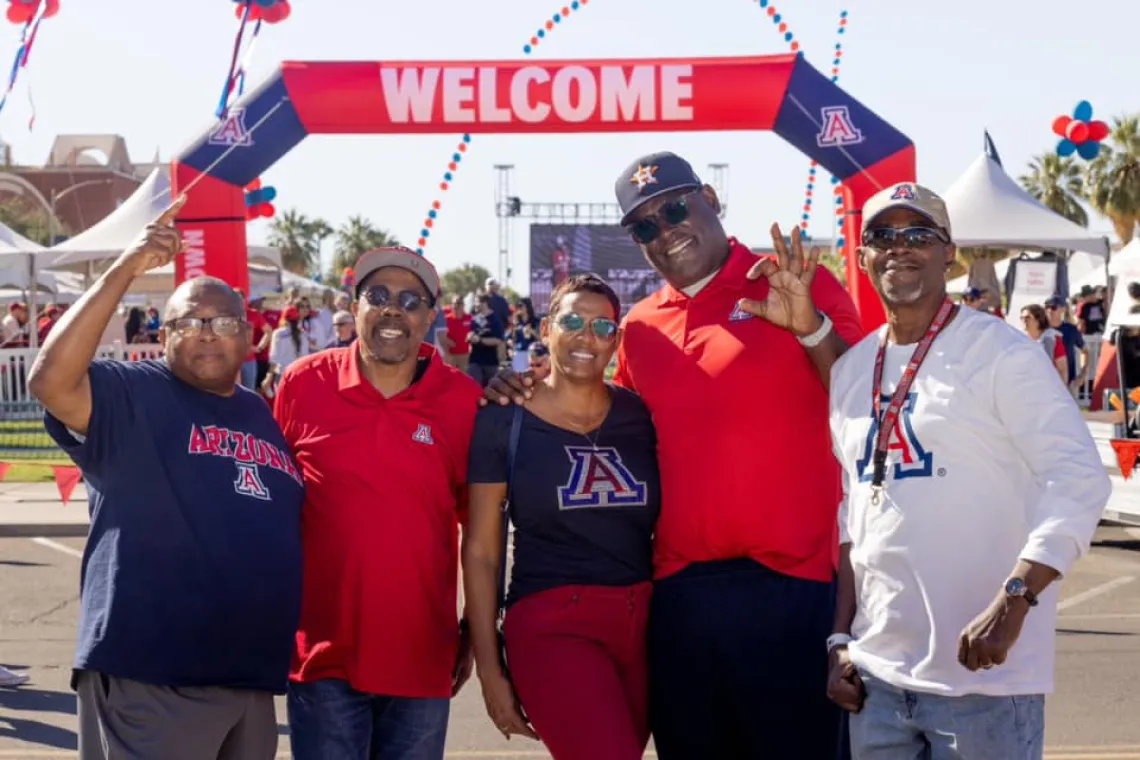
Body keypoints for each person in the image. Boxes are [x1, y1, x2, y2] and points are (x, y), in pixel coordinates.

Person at [484, 151, 865, 758]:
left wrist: (812, 328)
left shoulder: (795, 283)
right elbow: (599, 418)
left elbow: (868, 400)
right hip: (679, 597)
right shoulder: (638, 327)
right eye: (644, 226)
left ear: (710, 200)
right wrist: (520, 387)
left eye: (675, 209)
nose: (664, 231)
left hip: (792, 587)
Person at [825, 183, 1109, 759]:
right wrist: (840, 640)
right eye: (883, 235)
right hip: (877, 682)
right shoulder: (853, 370)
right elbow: (854, 515)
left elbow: (1078, 475)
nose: (899, 248)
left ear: (948, 253)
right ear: (862, 256)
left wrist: (1014, 602)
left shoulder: (1002, 353)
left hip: (984, 680)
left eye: (918, 235)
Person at [27, 196, 304, 760]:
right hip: (151, 673)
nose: (208, 332)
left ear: (248, 335)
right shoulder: (132, 391)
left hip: (247, 679)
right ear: (164, 330)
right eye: (190, 322)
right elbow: (51, 382)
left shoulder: (259, 413)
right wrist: (124, 269)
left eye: (224, 321)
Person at [273, 246, 483, 760]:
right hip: (321, 657)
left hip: (420, 657)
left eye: (412, 300)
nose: (395, 309)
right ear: (355, 306)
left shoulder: (464, 401)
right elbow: (270, 510)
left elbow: (480, 535)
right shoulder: (302, 383)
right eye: (379, 295)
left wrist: (476, 630)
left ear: (430, 316)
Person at [465, 273, 660, 759]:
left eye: (602, 327)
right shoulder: (503, 417)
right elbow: (483, 552)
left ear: (616, 339)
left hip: (645, 626)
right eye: (572, 321)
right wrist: (490, 670)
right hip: (552, 624)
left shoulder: (640, 415)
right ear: (547, 328)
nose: (586, 337)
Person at [1044, 295, 1088, 400]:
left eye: (1053, 307)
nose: (1050, 310)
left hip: (1068, 383)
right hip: (1046, 383)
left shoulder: (1071, 329)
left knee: (1070, 414)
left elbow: (1085, 351)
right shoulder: (1041, 330)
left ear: (1063, 309)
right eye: (1047, 307)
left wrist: (1082, 374)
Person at [1020, 304, 1068, 384]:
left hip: (1048, 385)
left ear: (1038, 320)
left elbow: (1062, 369)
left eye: (1028, 318)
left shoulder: (1052, 338)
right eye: (1022, 318)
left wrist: (1061, 390)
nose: (1024, 321)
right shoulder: (1020, 338)